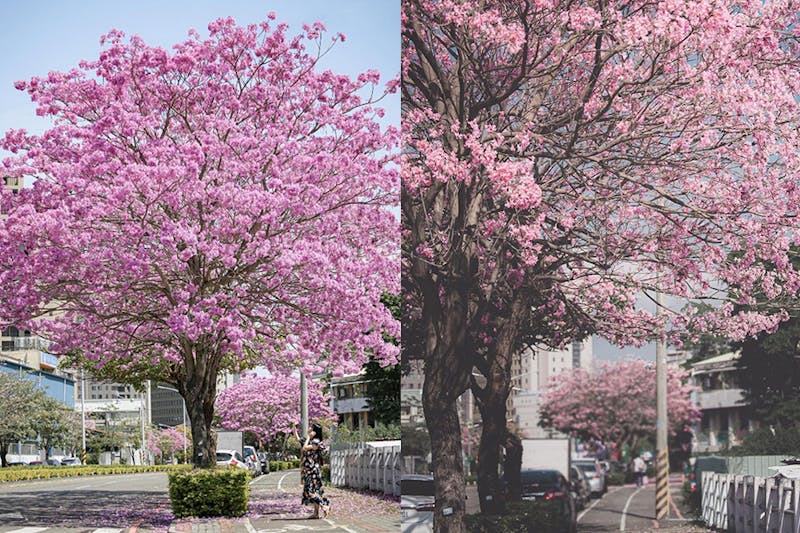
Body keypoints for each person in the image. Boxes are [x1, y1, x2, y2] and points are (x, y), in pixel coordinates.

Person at [293, 422, 331, 519]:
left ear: (314, 431)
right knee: (315, 491)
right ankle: (316, 513)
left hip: (313, 471)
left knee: (310, 492)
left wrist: (309, 437)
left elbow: (305, 448)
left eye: (311, 427)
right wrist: (294, 426)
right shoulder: (308, 440)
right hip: (308, 470)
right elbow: (297, 438)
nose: (309, 428)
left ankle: (324, 505)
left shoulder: (316, 442)